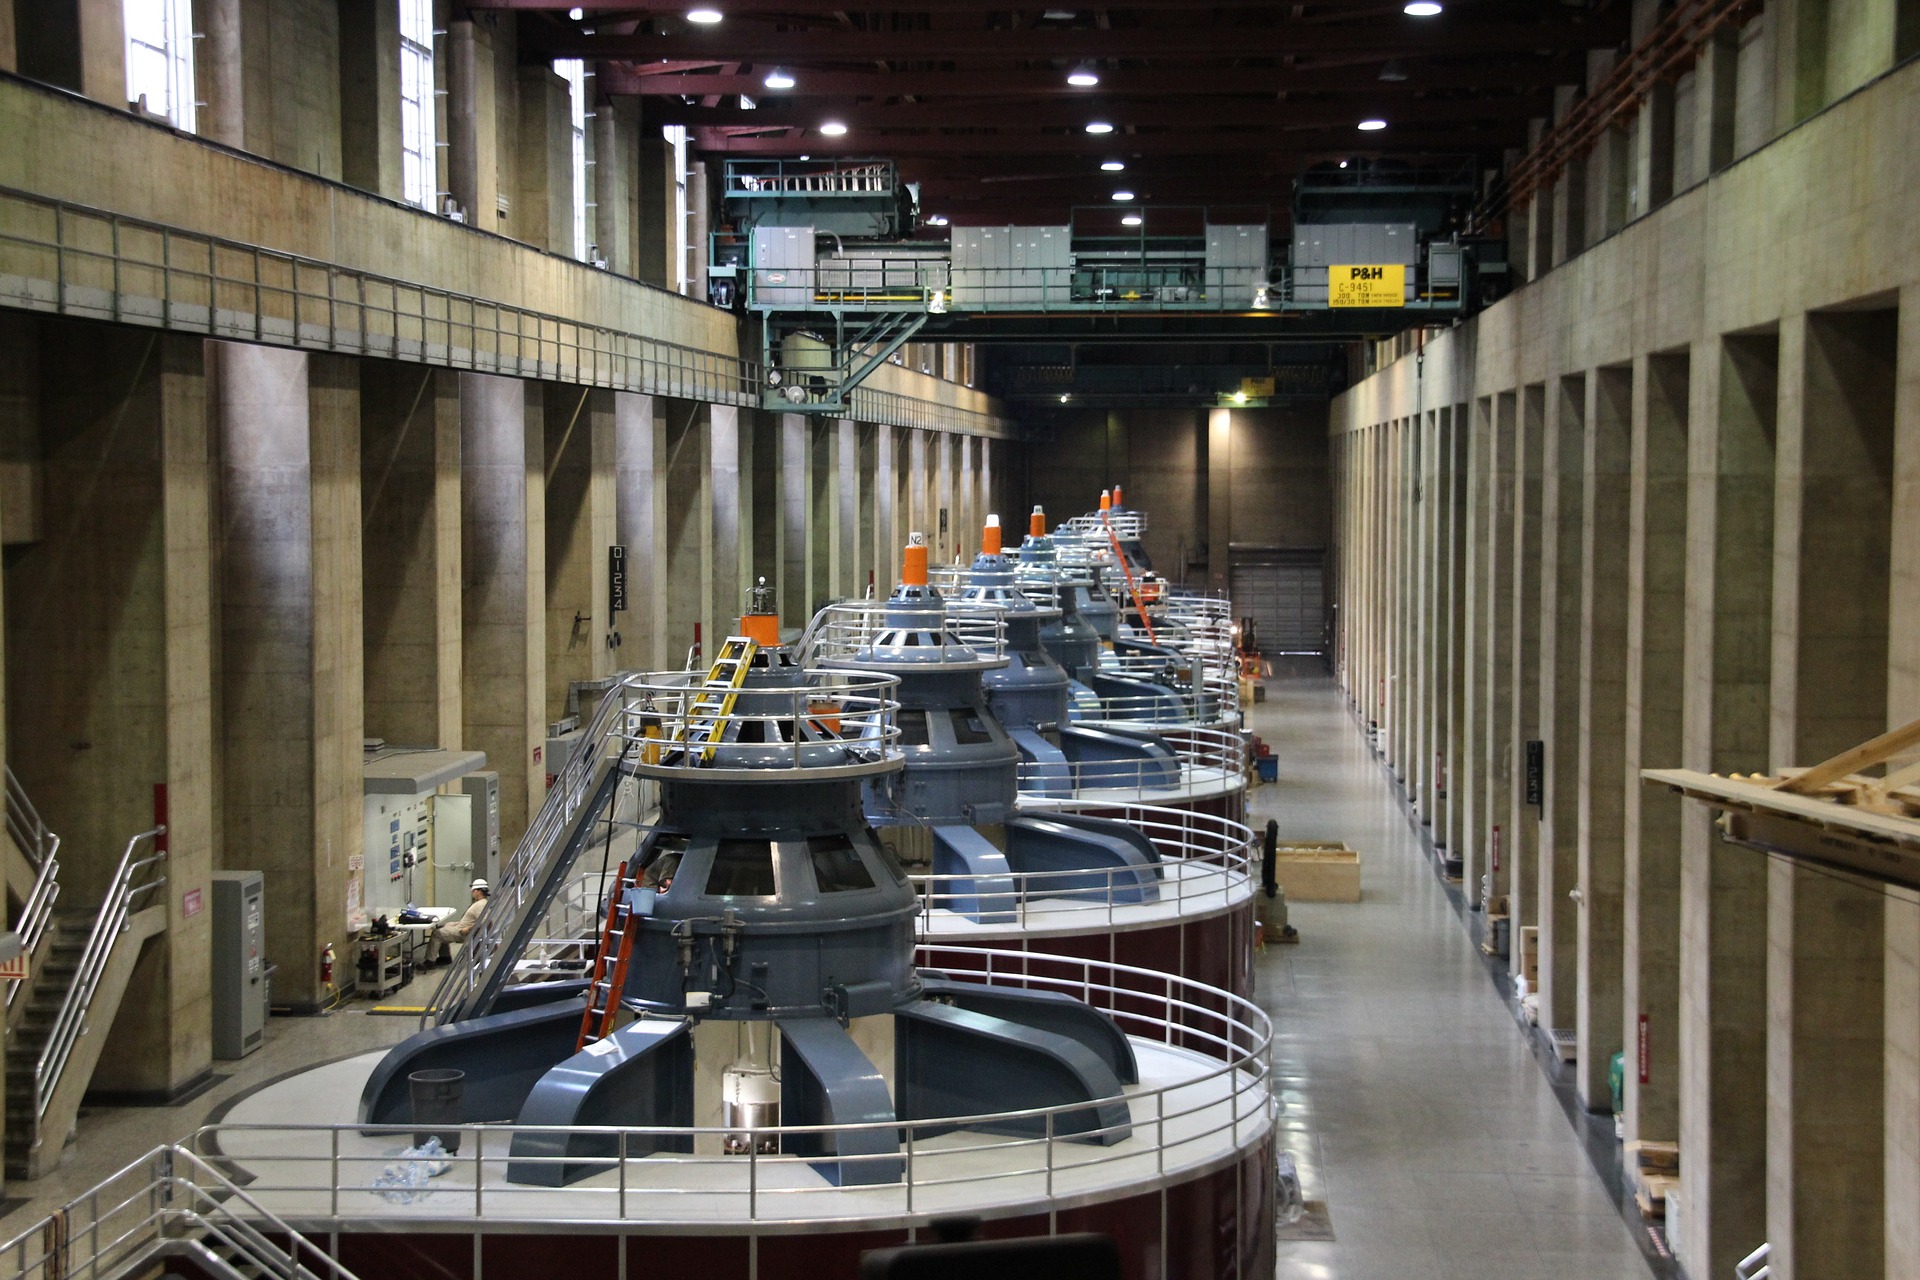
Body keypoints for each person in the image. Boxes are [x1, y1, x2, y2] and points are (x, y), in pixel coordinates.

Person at [427, 879, 490, 964]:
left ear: (479, 891)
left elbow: (483, 921)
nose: (472, 893)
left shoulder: (480, 905)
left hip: (463, 931)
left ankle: (430, 961)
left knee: (436, 933)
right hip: (461, 926)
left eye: (473, 891)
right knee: (442, 927)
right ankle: (445, 957)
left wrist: (468, 929)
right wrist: (458, 923)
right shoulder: (482, 903)